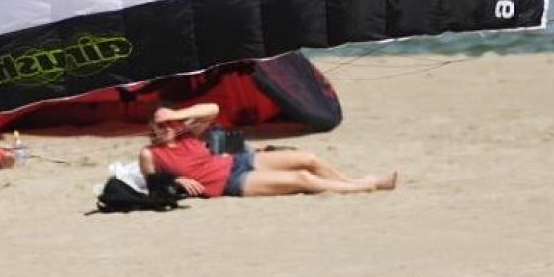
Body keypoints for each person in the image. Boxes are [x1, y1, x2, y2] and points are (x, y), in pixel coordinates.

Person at [140, 102, 398, 198]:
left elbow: (214, 109)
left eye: (168, 124)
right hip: (229, 181)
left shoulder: (185, 133)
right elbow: (154, 187)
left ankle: (351, 182)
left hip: (238, 159)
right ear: (150, 127)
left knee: (309, 159)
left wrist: (176, 114)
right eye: (159, 125)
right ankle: (366, 185)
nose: (164, 128)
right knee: (303, 179)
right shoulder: (150, 153)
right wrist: (177, 180)